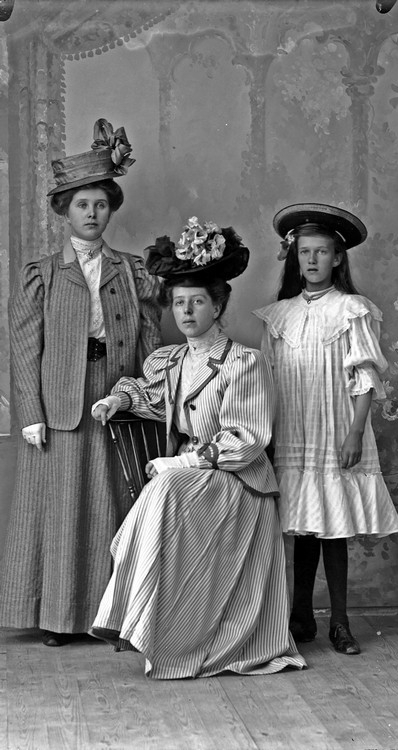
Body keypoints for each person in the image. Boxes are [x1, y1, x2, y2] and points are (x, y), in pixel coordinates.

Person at [90, 216, 307, 679]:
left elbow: (246, 442)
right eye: (179, 303)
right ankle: (147, 624)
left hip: (237, 481)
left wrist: (181, 462)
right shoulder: (169, 360)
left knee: (165, 489)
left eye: (198, 302)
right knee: (165, 491)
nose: (186, 312)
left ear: (218, 305)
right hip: (191, 476)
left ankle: (157, 627)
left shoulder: (243, 363)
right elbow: (148, 394)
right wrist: (117, 400)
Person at [0, 119, 162, 647]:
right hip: (60, 403)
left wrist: (147, 401)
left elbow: (148, 345)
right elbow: (25, 349)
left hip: (115, 395)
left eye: (100, 205)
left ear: (111, 210)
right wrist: (30, 414)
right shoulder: (43, 275)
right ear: (64, 212)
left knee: (111, 505)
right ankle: (57, 617)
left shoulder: (130, 271)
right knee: (61, 510)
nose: (92, 214)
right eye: (81, 205)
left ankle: (111, 616)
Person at [253, 203, 398, 655]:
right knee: (303, 526)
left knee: (334, 530)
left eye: (321, 252)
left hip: (336, 430)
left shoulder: (351, 309)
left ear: (337, 258)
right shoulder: (279, 315)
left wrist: (355, 432)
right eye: (305, 252)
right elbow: (267, 382)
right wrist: (267, 435)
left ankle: (340, 622)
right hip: (295, 432)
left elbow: (364, 378)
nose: (313, 260)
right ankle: (301, 618)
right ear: (295, 258)